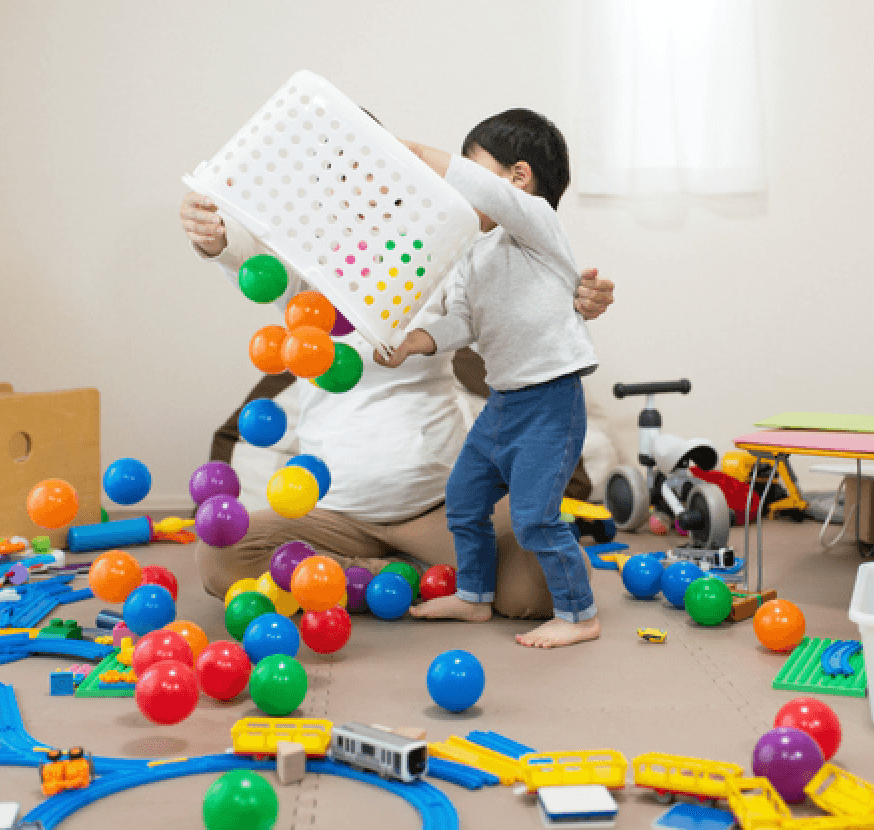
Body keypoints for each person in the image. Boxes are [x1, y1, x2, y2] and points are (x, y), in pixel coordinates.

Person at [179, 184, 613, 622]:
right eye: (337, 185)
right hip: (332, 515)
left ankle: (394, 578)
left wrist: (575, 299)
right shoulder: (304, 270)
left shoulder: (443, 258)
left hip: (439, 509)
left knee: (534, 589)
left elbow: (514, 301)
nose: (356, 199)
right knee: (219, 558)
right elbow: (244, 255)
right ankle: (392, 575)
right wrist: (214, 237)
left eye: (370, 182)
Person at [377, 109, 600, 649]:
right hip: (502, 403)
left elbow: (484, 191)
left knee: (533, 517)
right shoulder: (473, 252)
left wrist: (405, 149)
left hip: (551, 402)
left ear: (518, 177)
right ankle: (474, 595)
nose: (461, 192)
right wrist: (414, 341)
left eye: (473, 171)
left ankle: (580, 615)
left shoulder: (538, 228)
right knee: (465, 497)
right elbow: (463, 324)